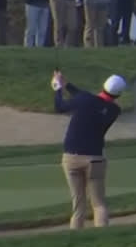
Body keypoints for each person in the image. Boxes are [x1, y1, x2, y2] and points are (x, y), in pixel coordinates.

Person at [52, 70, 125, 229]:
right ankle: (102, 237)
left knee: (78, 206)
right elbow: (88, 98)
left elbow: (60, 107)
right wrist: (67, 85)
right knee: (99, 204)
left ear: (103, 86)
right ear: (118, 95)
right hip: (96, 160)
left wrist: (58, 87)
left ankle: (75, 239)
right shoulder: (114, 111)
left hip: (71, 159)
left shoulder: (85, 99)